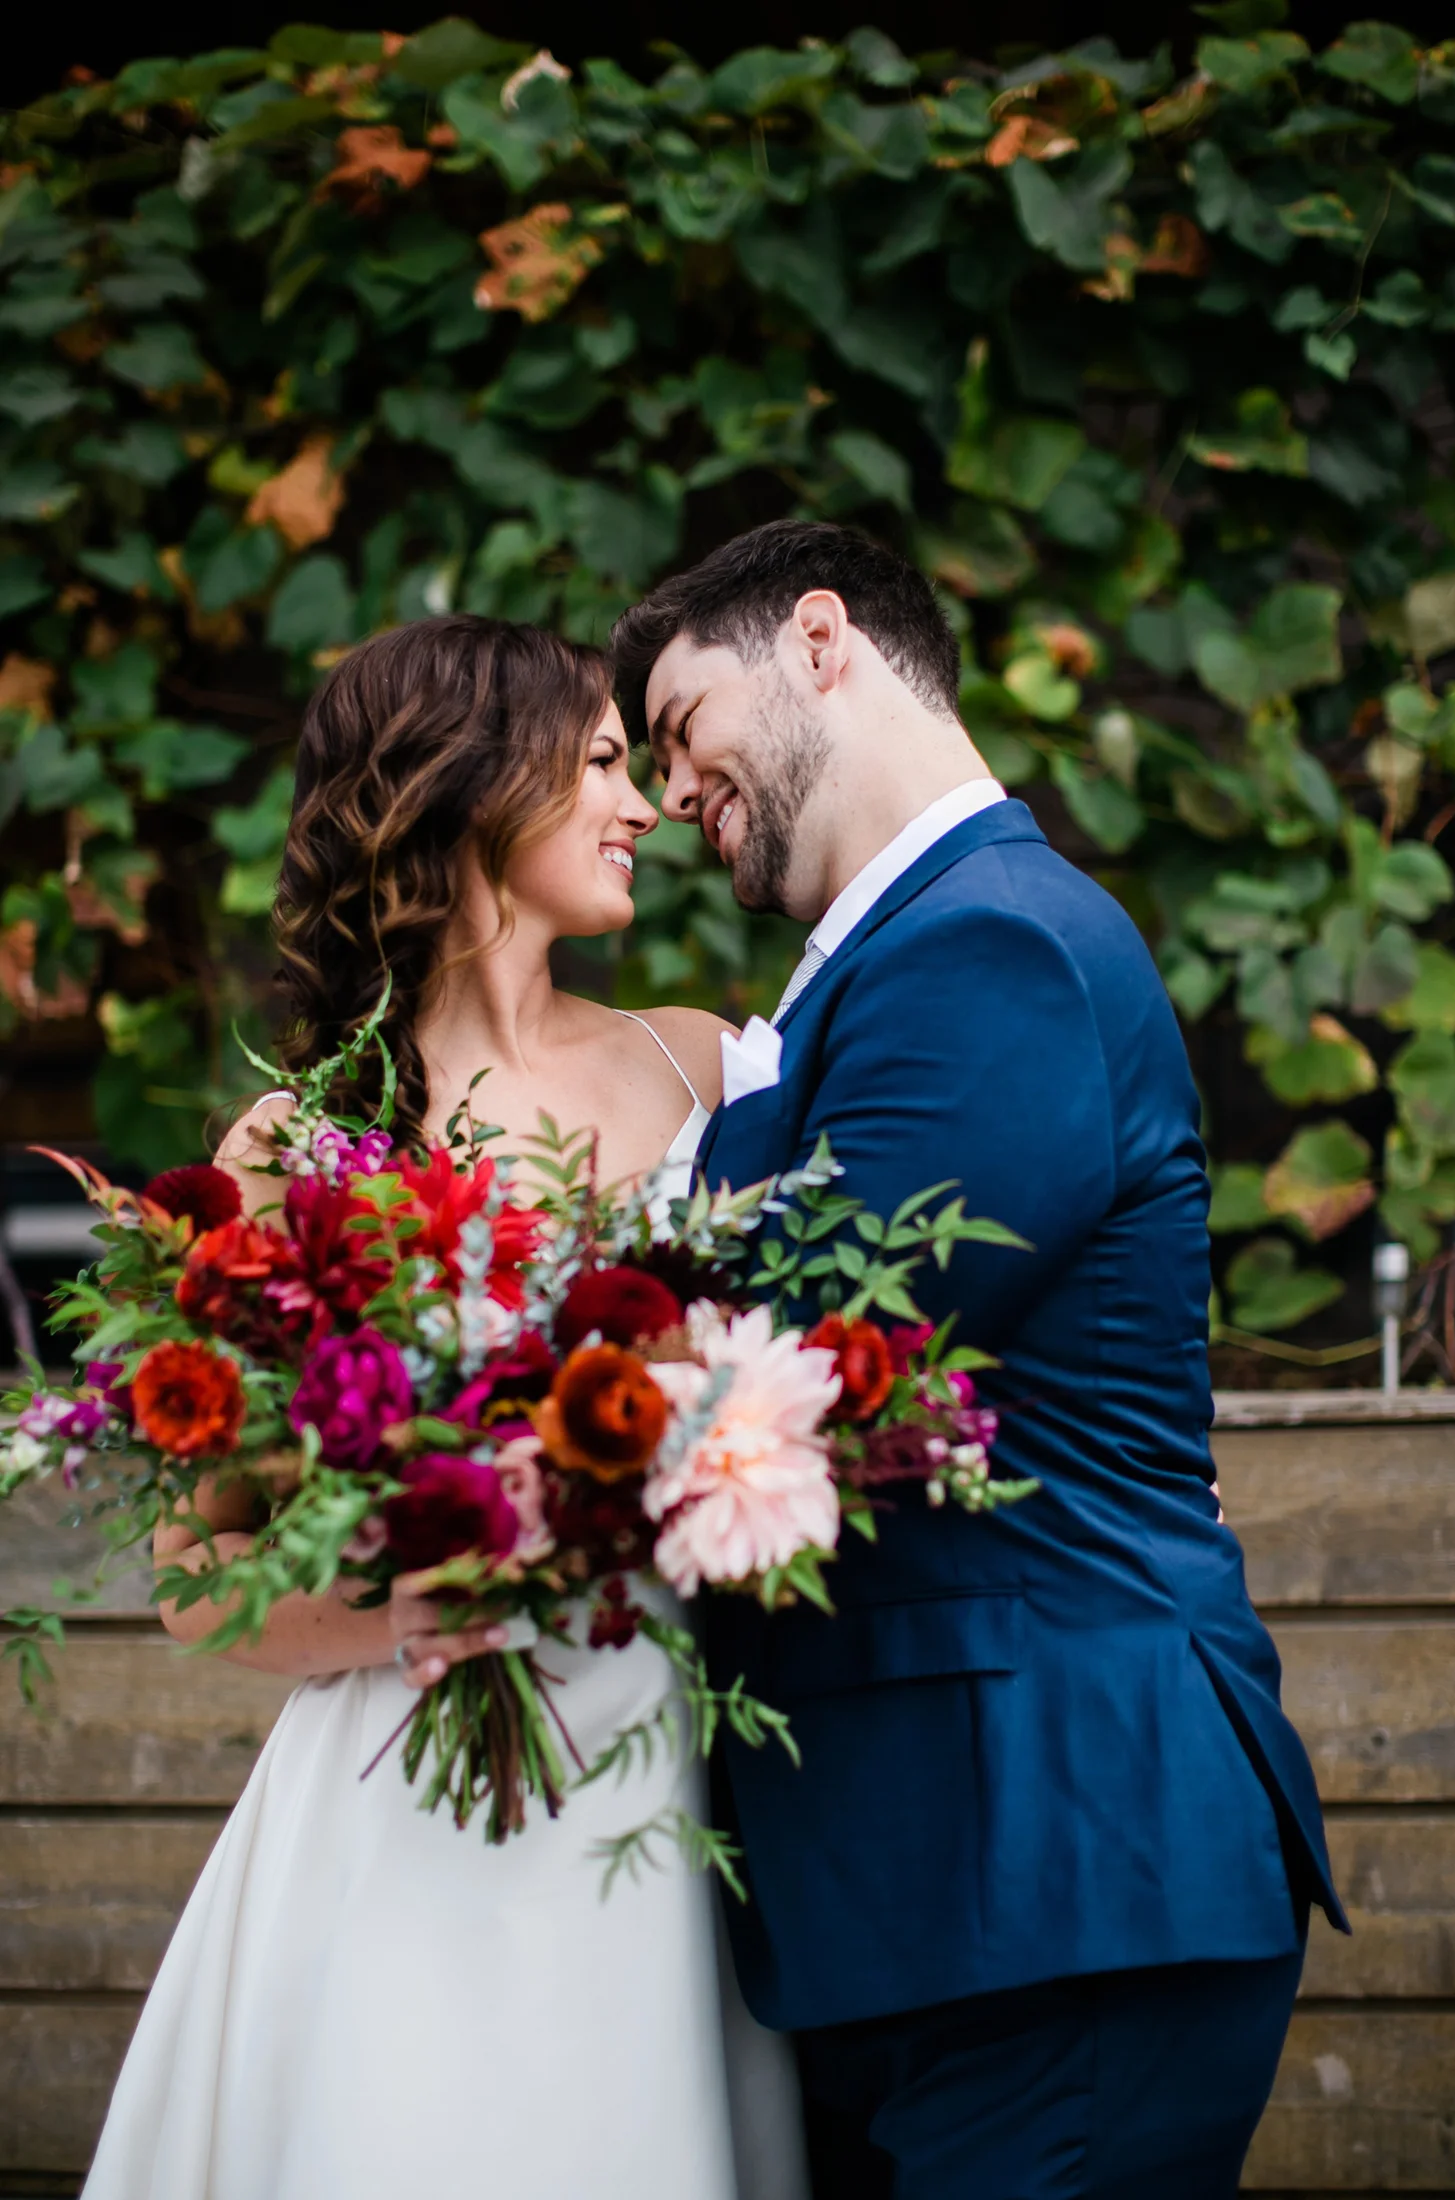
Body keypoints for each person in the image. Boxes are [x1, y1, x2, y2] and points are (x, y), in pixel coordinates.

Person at [608, 520, 1348, 2200]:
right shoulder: (894, 959)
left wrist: (464, 1458)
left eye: (676, 725)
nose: (665, 791)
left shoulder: (988, 943)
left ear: (817, 640)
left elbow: (812, 1365)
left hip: (1054, 1871)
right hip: (937, 1893)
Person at [81, 616, 807, 2200]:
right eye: (607, 763)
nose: (648, 806)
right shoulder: (299, 1143)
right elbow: (203, 1584)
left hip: (657, 1792)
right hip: (393, 1814)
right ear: (478, 787)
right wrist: (425, 1601)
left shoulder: (710, 1072)